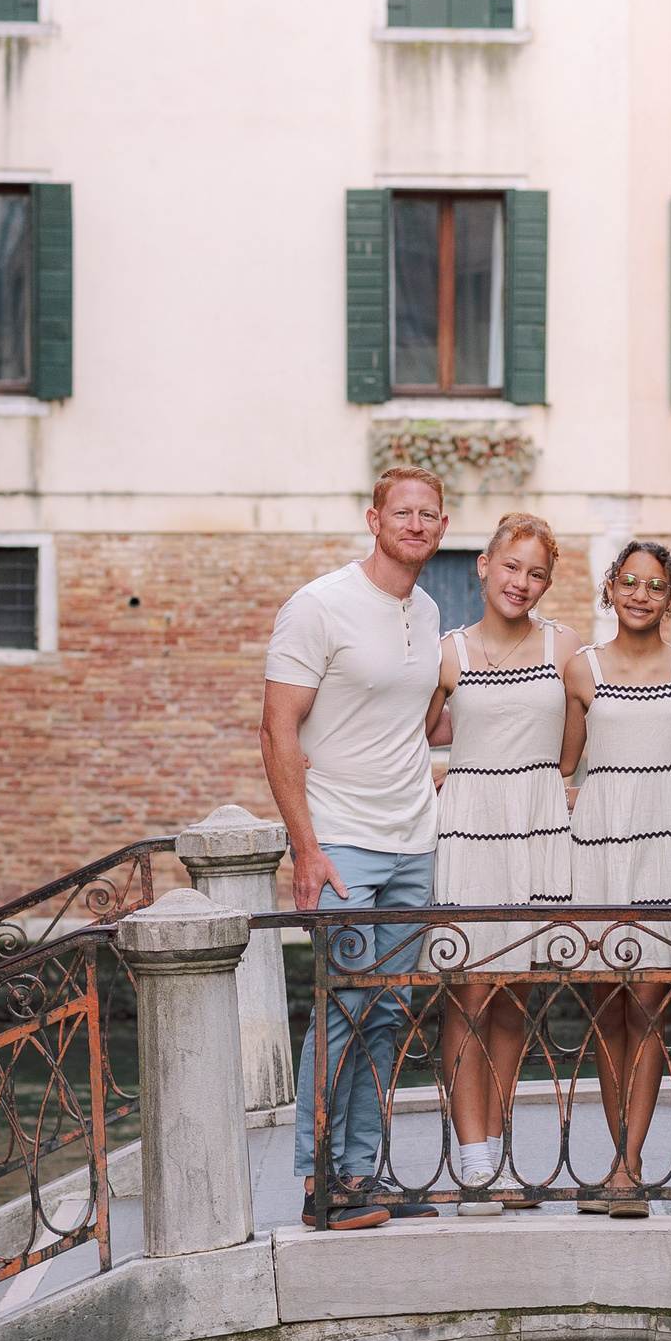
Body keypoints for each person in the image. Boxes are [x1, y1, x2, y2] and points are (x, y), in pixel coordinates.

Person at [260, 467, 453, 1231]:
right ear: (375, 519)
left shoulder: (430, 608)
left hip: (414, 839)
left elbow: (418, 725)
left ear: (442, 526)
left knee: (390, 1012)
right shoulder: (319, 605)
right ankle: (318, 1184)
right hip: (341, 840)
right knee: (341, 1008)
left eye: (428, 514)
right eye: (402, 512)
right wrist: (305, 850)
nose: (415, 523)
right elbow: (276, 729)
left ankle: (361, 1172)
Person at [427, 513, 585, 1215]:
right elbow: (415, 733)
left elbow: (576, 738)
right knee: (469, 990)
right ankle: (473, 1159)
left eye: (537, 572)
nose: (522, 582)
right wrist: (445, 777)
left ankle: (498, 1147)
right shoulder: (447, 653)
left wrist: (555, 790)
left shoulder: (564, 646)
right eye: (511, 566)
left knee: (516, 991)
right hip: (469, 827)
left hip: (537, 822)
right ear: (484, 565)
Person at [562, 542, 671, 1219]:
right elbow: (559, 762)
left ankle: (628, 1165)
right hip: (599, 848)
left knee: (646, 1008)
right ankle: (620, 1155)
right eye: (629, 580)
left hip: (666, 846)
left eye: (655, 585)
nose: (640, 593)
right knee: (606, 1010)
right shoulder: (579, 668)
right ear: (611, 587)